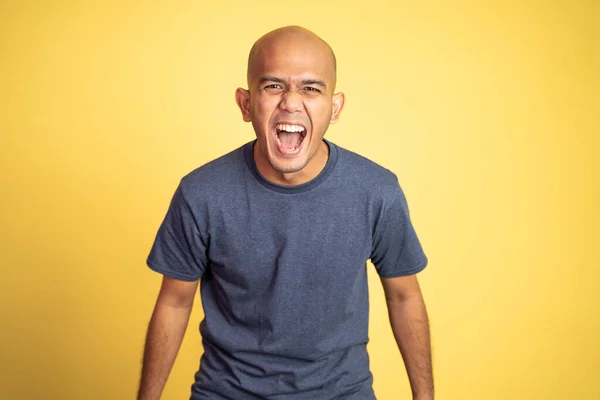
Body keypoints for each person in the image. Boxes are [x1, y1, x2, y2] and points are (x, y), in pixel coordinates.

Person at [137, 26, 433, 400]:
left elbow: (404, 297)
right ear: (246, 105)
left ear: (335, 107)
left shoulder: (376, 192)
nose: (291, 102)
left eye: (311, 88)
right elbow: (174, 302)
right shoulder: (201, 193)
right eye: (273, 86)